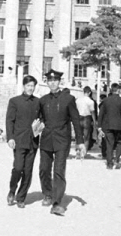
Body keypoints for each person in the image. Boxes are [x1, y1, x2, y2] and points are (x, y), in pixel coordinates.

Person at [38, 69, 85, 217]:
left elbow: (76, 121)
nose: (52, 83)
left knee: (59, 170)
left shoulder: (68, 99)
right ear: (47, 82)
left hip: (62, 139)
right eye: (50, 81)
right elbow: (38, 120)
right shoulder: (43, 100)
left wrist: (80, 141)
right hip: (46, 138)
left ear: (59, 82)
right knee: (44, 169)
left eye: (55, 81)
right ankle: (47, 193)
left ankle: (57, 203)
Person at [5, 75, 41, 208]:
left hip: (33, 141)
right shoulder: (14, 101)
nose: (30, 88)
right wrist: (10, 137)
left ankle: (21, 197)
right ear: (23, 86)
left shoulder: (38, 102)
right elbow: (10, 120)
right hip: (19, 140)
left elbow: (42, 119)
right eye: (28, 86)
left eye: (32, 86)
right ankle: (12, 190)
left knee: (28, 170)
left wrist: (39, 126)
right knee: (18, 168)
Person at [98, 83, 121, 169]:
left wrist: (99, 126)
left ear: (111, 90)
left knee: (109, 144)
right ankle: (117, 160)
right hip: (119, 125)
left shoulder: (105, 100)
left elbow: (101, 114)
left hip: (107, 125)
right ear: (118, 90)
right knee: (119, 143)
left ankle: (109, 163)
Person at [76, 86, 97, 154]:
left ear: (83, 91)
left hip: (78, 117)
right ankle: (84, 152)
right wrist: (94, 121)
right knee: (86, 137)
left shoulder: (78, 100)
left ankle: (78, 150)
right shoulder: (91, 101)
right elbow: (92, 112)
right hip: (87, 118)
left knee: (79, 136)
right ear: (90, 92)